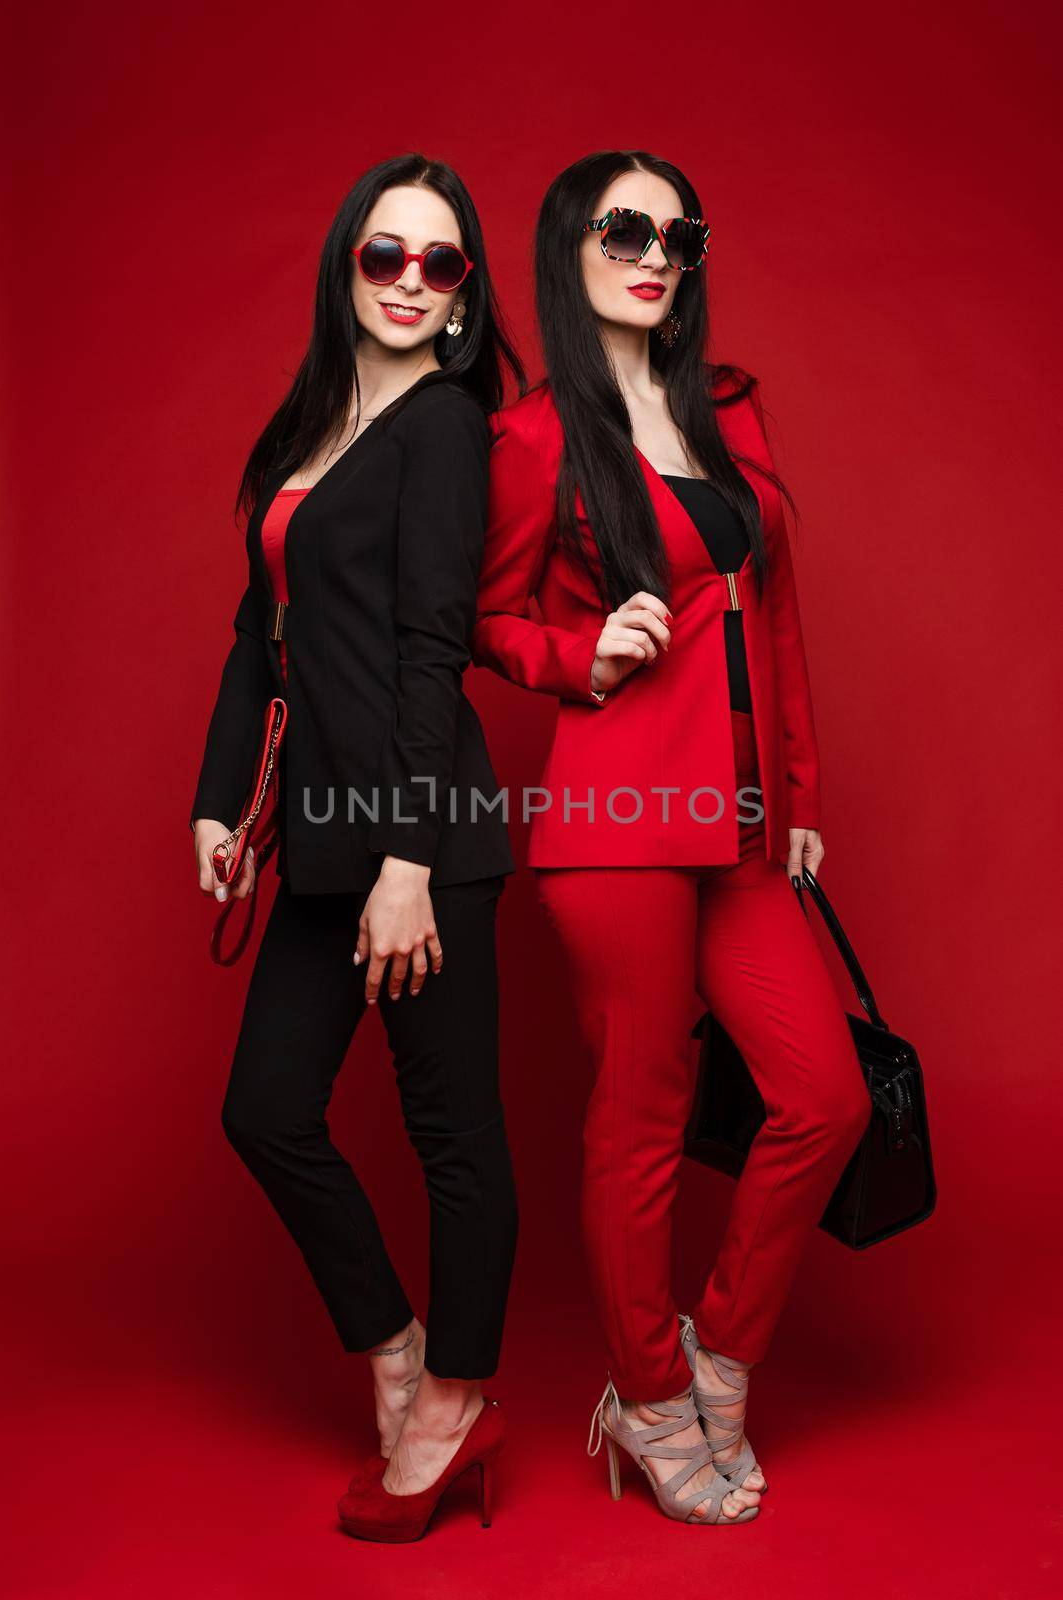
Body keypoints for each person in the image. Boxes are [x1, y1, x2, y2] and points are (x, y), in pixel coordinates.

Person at [472, 150, 871, 1526]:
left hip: (743, 817)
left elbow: (782, 614)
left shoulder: (730, 415)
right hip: (616, 815)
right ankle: (646, 1402)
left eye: (679, 232)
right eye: (624, 228)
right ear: (568, 249)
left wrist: (800, 792)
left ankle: (719, 1360)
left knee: (826, 1096)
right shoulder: (528, 440)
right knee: (639, 1121)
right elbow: (486, 618)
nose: (656, 251)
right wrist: (580, 656)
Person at [190, 154, 522, 1542]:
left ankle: (453, 1404)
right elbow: (258, 634)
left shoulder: (446, 430)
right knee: (265, 1111)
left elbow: (432, 652)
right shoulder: (310, 425)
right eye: (384, 255)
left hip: (419, 841)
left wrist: (403, 862)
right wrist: (221, 803)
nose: (406, 283)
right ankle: (389, 1349)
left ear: (463, 296)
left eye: (439, 265)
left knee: (454, 1135)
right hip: (321, 840)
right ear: (347, 263)